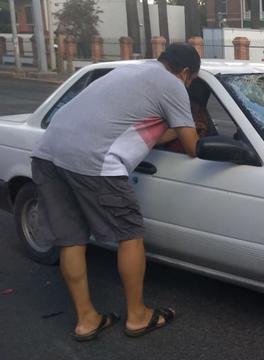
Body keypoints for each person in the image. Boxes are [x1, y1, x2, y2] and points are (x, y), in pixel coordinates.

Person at [30, 43, 201, 341]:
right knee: (130, 233)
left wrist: (178, 129)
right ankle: (137, 316)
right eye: (193, 80)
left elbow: (140, 130)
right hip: (93, 160)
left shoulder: (132, 72)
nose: (189, 85)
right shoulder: (172, 84)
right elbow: (192, 148)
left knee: (71, 237)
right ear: (185, 73)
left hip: (48, 153)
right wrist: (197, 129)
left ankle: (87, 320)